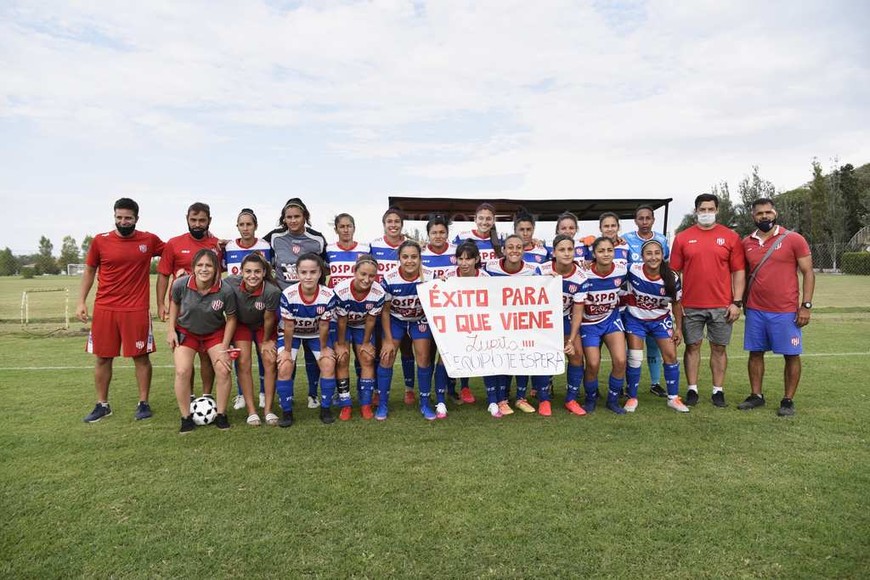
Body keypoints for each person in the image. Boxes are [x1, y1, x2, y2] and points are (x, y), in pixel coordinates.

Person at [77, 198, 165, 423]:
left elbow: (173, 253)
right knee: (103, 358)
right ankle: (102, 404)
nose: (123, 221)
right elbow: (89, 271)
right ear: (114, 217)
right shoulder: (100, 241)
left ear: (136, 218)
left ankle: (143, 403)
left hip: (136, 309)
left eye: (128, 218)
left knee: (141, 357)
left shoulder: (149, 240)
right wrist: (81, 301)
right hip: (105, 308)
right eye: (119, 217)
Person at [737, 198, 814, 416]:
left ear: (775, 213)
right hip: (755, 309)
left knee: (791, 354)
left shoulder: (794, 239)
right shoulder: (746, 243)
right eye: (759, 213)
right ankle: (756, 395)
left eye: (768, 212)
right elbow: (741, 274)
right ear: (753, 216)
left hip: (786, 310)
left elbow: (808, 272)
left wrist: (806, 306)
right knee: (755, 353)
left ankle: (788, 400)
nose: (764, 216)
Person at [670, 193, 746, 407]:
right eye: (702, 209)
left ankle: (717, 390)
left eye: (710, 209)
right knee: (692, 346)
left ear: (717, 210)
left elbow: (739, 271)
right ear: (696, 211)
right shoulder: (683, 237)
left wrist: (737, 302)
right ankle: (692, 389)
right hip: (690, 305)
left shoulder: (730, 237)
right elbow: (674, 272)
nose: (706, 213)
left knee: (719, 348)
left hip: (722, 305)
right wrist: (677, 303)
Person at [156, 202, 224, 398]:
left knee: (205, 357)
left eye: (202, 220)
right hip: (181, 310)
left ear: (209, 221)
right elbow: (163, 275)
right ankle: (190, 395)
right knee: (185, 357)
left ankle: (206, 396)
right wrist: (160, 304)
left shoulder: (216, 245)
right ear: (187, 219)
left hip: (209, 310)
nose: (197, 224)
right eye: (193, 220)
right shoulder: (174, 243)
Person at [266, 198, 328, 410]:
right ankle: (286, 398)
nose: (292, 220)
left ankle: (313, 394)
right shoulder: (274, 237)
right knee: (286, 355)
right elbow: (254, 247)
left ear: (305, 217)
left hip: (311, 304)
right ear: (284, 218)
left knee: (313, 354)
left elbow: (325, 268)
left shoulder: (317, 239)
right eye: (289, 217)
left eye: (297, 216)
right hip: (285, 304)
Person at [167, 249, 238, 433]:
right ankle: (185, 418)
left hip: (214, 334)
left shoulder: (226, 290)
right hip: (187, 332)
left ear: (216, 268)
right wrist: (170, 330)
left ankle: (221, 415)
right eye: (200, 265)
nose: (204, 269)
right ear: (193, 267)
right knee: (182, 371)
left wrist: (224, 346)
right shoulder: (181, 284)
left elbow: (231, 318)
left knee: (223, 369)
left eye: (209, 265)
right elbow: (174, 303)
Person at [622, 239, 689, 413]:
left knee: (671, 356)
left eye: (657, 253)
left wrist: (679, 328)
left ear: (663, 255)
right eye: (649, 253)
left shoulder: (672, 277)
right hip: (635, 319)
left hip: (660, 320)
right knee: (635, 357)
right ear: (642, 256)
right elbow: (609, 267)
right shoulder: (632, 269)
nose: (653, 257)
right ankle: (632, 397)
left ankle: (673, 398)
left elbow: (676, 304)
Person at [274, 253, 338, 427]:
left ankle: (325, 409)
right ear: (297, 274)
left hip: (316, 334)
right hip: (292, 334)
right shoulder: (288, 294)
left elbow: (324, 326)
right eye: (303, 272)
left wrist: (324, 348)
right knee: (285, 365)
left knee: (328, 364)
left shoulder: (328, 295)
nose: (308, 276)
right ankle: (286, 412)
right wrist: (287, 351)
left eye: (313, 272)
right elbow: (288, 326)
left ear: (320, 273)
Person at [567, 237, 628, 414]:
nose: (606, 254)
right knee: (592, 364)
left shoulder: (622, 270)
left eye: (609, 250)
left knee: (620, 360)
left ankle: (613, 400)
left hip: (611, 319)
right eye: (601, 251)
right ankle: (590, 399)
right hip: (588, 323)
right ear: (594, 254)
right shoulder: (584, 273)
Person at [376, 240, 435, 421]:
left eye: (414, 257)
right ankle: (383, 404)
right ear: (399, 258)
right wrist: (387, 340)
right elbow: (385, 311)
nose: (410, 261)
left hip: (419, 320)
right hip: (396, 319)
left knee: (424, 358)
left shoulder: (430, 276)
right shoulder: (390, 278)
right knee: (387, 356)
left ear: (420, 258)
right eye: (405, 257)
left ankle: (425, 403)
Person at [484, 234, 540, 415]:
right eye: (510, 247)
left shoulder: (533, 270)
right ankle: (501, 399)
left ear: (524, 250)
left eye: (518, 247)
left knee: (522, 357)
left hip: (522, 322)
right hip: (498, 322)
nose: (514, 250)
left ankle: (521, 398)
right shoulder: (490, 267)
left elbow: (545, 290)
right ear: (503, 250)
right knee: (502, 358)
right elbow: (473, 282)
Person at [224, 253, 281, 426]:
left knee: (270, 360)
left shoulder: (272, 291)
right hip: (241, 324)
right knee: (243, 362)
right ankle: (251, 411)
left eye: (257, 271)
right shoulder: (229, 283)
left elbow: (269, 319)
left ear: (264, 272)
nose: (252, 275)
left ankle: (268, 410)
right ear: (241, 271)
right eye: (248, 271)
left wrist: (265, 342)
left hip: (264, 326)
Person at [225, 208, 273, 411]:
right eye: (241, 224)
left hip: (262, 311)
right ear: (237, 226)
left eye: (249, 224)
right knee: (241, 357)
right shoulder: (228, 247)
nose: (245, 228)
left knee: (266, 356)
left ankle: (263, 393)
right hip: (239, 309)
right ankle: (241, 394)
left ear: (255, 226)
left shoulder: (265, 246)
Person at [623, 205, 670, 398]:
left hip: (656, 300)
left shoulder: (662, 240)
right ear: (635, 220)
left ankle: (655, 383)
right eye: (640, 218)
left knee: (654, 344)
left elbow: (665, 267)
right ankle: (629, 387)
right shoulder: (626, 239)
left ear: (653, 220)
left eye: (647, 218)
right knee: (633, 348)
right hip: (633, 299)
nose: (644, 222)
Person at [370, 207, 416, 405]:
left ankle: (409, 389)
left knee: (407, 349)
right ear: (384, 224)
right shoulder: (374, 245)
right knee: (382, 349)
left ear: (402, 224)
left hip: (404, 305)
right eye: (390, 221)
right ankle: (378, 390)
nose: (393, 225)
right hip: (381, 304)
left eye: (397, 221)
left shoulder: (410, 246)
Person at [539, 234, 588, 417]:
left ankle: (571, 399)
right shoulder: (541, 270)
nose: (567, 253)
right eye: (562, 249)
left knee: (576, 354)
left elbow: (577, 311)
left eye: (570, 249)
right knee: (544, 357)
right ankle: (544, 399)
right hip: (542, 321)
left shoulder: (581, 277)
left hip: (565, 318)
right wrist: (542, 281)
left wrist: (572, 338)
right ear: (554, 252)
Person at [333, 254, 386, 420]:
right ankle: (346, 404)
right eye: (363, 274)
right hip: (342, 325)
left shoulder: (378, 292)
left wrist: (365, 343)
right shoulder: (341, 289)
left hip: (362, 325)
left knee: (367, 358)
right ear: (354, 272)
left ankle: (365, 404)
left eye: (371, 275)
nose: (367, 279)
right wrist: (341, 344)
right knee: (342, 358)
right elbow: (341, 320)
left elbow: (371, 320)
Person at [326, 213, 370, 289]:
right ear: (336, 230)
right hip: (335, 295)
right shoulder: (329, 249)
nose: (346, 230)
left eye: (349, 226)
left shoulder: (365, 249)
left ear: (354, 228)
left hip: (357, 295)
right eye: (342, 227)